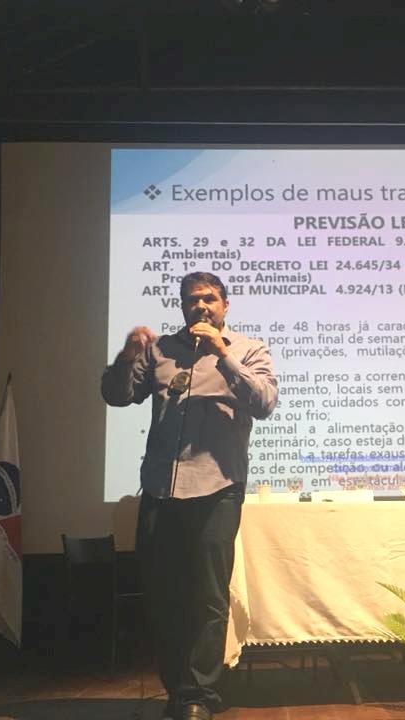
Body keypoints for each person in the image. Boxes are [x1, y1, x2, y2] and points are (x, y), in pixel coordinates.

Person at [102, 272, 278, 720]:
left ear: (225, 305)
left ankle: (200, 694)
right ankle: (177, 689)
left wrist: (223, 355)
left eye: (209, 299)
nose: (200, 306)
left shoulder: (249, 349)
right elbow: (117, 396)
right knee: (163, 594)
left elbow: (264, 403)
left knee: (207, 595)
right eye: (191, 299)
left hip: (217, 488)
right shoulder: (160, 350)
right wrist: (127, 356)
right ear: (181, 305)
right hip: (161, 488)